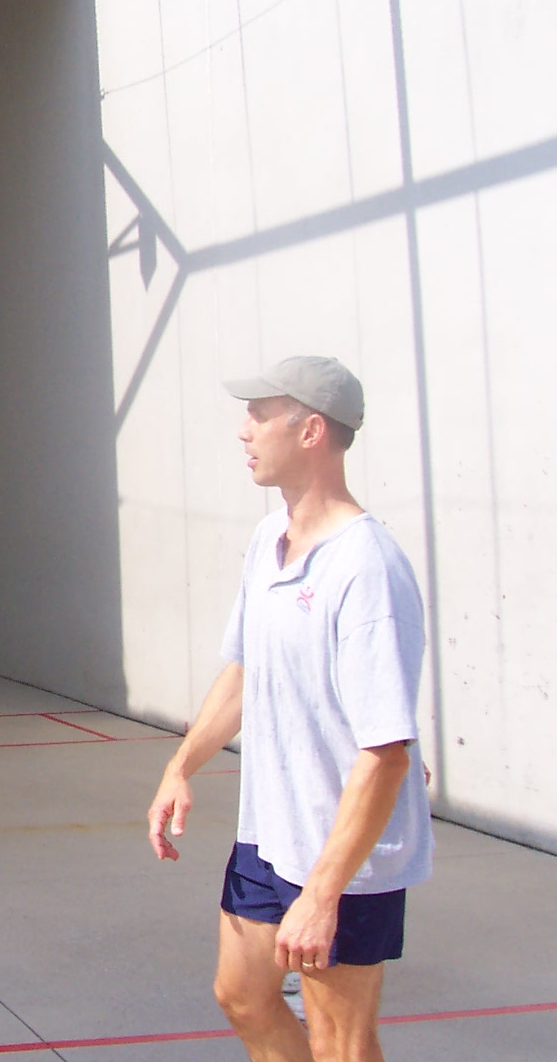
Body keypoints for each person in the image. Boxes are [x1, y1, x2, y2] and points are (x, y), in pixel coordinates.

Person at [146, 356, 432, 1062]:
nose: (244, 431)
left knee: (340, 1041)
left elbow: (386, 752)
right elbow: (245, 670)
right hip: (268, 835)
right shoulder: (267, 541)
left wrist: (324, 894)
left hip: (346, 857)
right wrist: (180, 765)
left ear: (310, 430)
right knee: (241, 994)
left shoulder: (366, 567)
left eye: (259, 415)